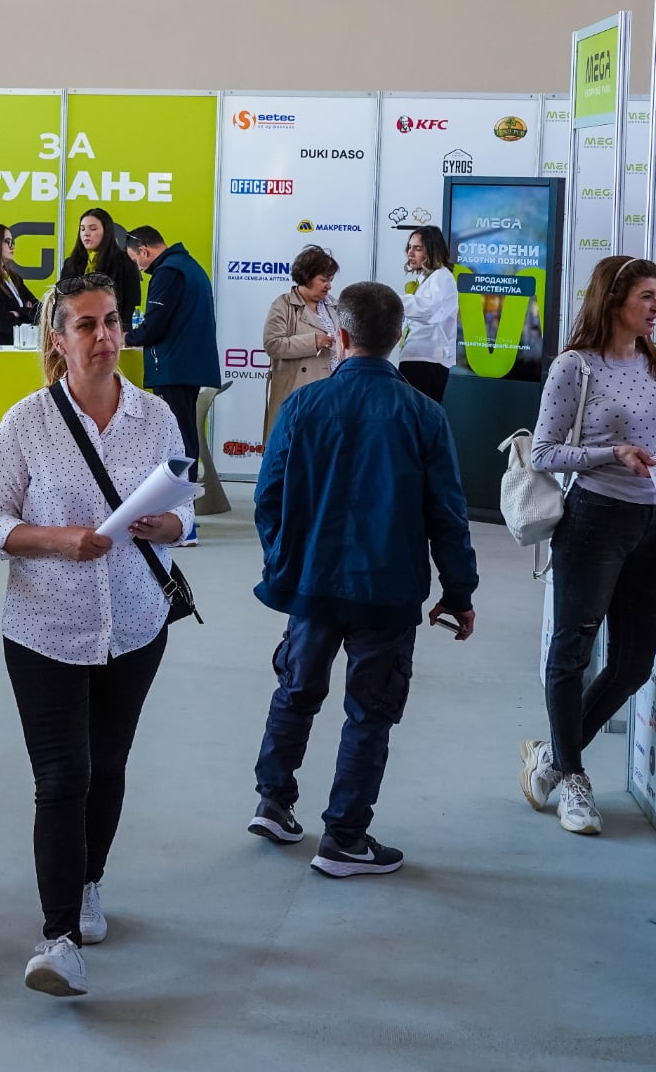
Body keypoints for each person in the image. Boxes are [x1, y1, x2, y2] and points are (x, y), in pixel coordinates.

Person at [0, 273, 192, 997]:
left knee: (108, 763)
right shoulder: (26, 422)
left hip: (135, 624)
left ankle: (89, 878)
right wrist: (56, 539)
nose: (105, 337)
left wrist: (172, 526)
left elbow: (184, 510)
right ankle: (59, 937)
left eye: (113, 322)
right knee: (63, 776)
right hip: (43, 628)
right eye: (87, 325)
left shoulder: (156, 416)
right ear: (58, 339)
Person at [248, 281, 478, 877]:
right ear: (399, 337)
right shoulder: (424, 414)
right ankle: (345, 837)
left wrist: (284, 563)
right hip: (388, 590)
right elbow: (447, 514)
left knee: (296, 690)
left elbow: (268, 498)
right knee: (371, 711)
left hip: (312, 585)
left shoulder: (302, 406)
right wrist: (459, 591)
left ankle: (273, 803)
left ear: (342, 334)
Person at [517, 257, 656, 835]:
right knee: (572, 655)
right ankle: (575, 780)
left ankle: (551, 756)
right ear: (613, 301)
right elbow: (544, 453)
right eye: (647, 296)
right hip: (595, 522)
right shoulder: (575, 366)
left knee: (633, 663)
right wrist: (612, 453)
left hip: (652, 525)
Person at [124, 226, 221, 544]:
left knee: (176, 445)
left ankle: (183, 521)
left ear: (144, 251)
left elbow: (155, 325)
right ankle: (185, 515)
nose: (139, 268)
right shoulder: (189, 266)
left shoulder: (167, 273)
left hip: (174, 367)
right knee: (185, 440)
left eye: (136, 260)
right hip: (187, 365)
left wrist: (127, 337)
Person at [261, 245, 340, 440]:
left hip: (331, 394)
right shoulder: (283, 305)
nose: (328, 286)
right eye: (323, 280)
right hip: (298, 394)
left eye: (330, 280)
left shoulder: (334, 306)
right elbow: (273, 344)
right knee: (293, 447)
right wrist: (314, 342)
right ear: (306, 276)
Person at [393, 226, 458, 402]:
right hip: (418, 357)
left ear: (432, 250)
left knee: (418, 413)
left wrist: (389, 299)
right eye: (409, 247)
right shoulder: (427, 278)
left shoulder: (441, 277)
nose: (410, 253)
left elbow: (427, 310)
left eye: (418, 248)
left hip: (426, 360)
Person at [59, 208, 142, 327]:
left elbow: (132, 302)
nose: (86, 233)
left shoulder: (124, 261)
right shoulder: (71, 263)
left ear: (106, 232)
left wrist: (122, 330)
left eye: (93, 229)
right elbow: (63, 300)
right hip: (78, 328)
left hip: (113, 328)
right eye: (82, 229)